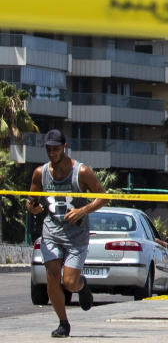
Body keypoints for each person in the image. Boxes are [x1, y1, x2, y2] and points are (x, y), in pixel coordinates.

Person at [27, 129, 108, 338]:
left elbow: (103, 198)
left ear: (64, 147)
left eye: (55, 149)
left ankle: (81, 287)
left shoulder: (81, 172)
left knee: (69, 282)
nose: (52, 153)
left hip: (76, 235)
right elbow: (32, 199)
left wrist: (82, 210)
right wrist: (32, 207)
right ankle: (63, 322)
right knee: (52, 275)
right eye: (48, 149)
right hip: (51, 232)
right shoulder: (40, 173)